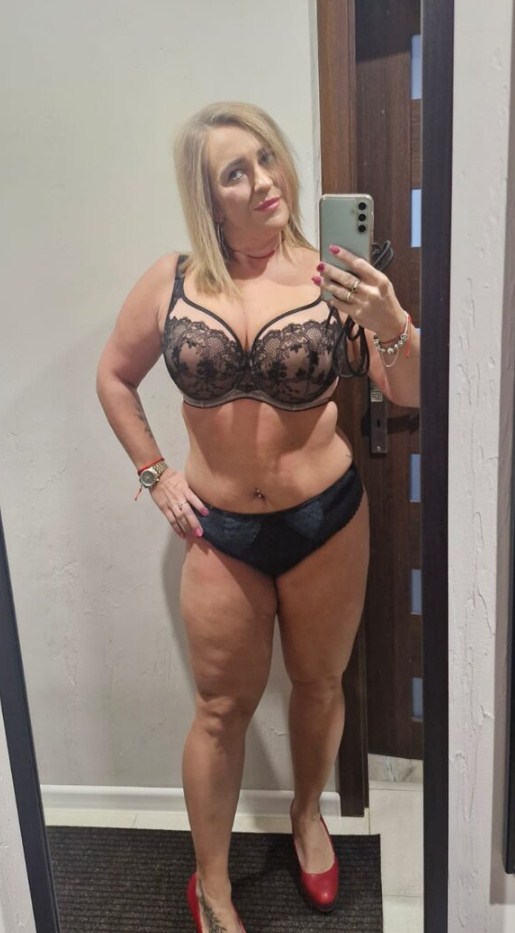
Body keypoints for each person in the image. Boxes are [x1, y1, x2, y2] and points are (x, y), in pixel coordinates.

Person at [96, 101, 420, 933]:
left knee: (318, 683)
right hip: (219, 535)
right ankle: (211, 885)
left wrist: (390, 322)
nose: (263, 181)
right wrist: (155, 473)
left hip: (326, 523)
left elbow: (410, 389)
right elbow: (114, 376)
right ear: (207, 197)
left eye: (268, 159)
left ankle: (306, 816)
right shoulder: (171, 282)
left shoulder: (333, 278)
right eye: (235, 172)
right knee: (218, 710)